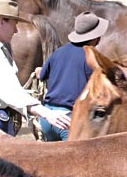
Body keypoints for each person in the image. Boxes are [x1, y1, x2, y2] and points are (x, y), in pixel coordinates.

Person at [0, 0, 71, 136]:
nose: (16, 30)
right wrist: (46, 113)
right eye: (14, 24)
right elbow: (9, 91)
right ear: (1, 22)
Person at [36, 11, 110, 141]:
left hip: (48, 117)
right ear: (95, 37)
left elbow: (41, 75)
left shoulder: (58, 53)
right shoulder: (91, 58)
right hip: (68, 119)